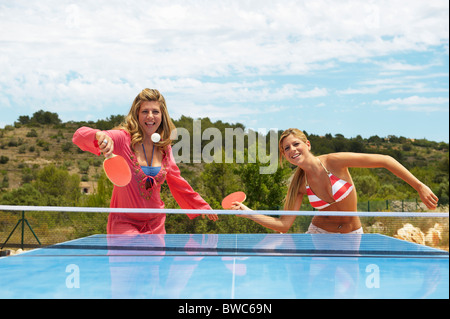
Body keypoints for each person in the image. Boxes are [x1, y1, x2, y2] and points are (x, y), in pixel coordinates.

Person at [231, 128, 439, 234]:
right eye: (286, 149)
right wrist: (247, 212)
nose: (292, 150)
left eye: (295, 144)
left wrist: (419, 186)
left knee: (350, 291)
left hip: (352, 235)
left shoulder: (334, 162)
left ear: (308, 145)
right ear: (284, 156)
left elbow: (385, 160)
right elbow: (284, 225)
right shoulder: (298, 184)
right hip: (319, 235)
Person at [73, 88, 218, 234]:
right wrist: (99, 135)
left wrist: (201, 205)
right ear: (137, 114)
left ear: (162, 116)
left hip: (156, 225)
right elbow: (79, 136)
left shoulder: (164, 147)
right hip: (124, 224)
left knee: (156, 257)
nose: (150, 116)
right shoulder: (121, 139)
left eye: (155, 111)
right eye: (145, 111)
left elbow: (177, 181)